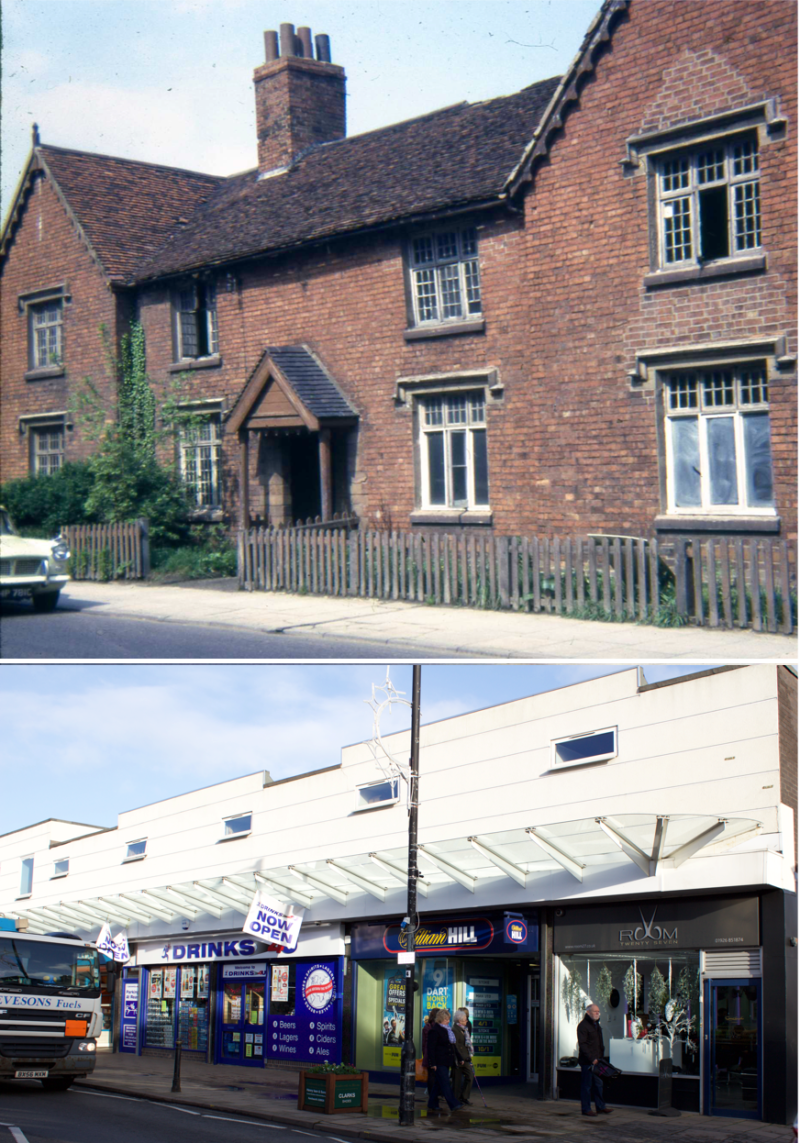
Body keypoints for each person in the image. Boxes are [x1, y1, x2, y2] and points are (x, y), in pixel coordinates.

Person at [577, 1004, 612, 1118]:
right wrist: (592, 1059)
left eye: (598, 1011)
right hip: (588, 1062)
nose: (597, 1013)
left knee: (598, 1084)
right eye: (595, 1011)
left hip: (598, 1061)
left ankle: (600, 1107)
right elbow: (583, 1044)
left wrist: (600, 1058)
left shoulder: (596, 1025)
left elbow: (599, 1043)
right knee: (586, 1086)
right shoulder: (583, 1026)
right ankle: (586, 1109)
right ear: (588, 1013)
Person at [426, 1008, 463, 1115]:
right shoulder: (435, 1030)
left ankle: (432, 1103)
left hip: (447, 1061)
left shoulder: (448, 1030)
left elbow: (453, 1046)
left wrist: (459, 1058)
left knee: (439, 1083)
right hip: (438, 1061)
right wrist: (432, 1063)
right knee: (445, 1082)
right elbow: (431, 1048)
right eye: (446, 1019)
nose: (448, 1021)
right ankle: (454, 1104)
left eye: (449, 1019)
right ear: (441, 1019)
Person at [453, 1008, 475, 1105]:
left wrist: (469, 1054)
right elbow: (456, 1046)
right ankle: (456, 1099)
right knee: (456, 1080)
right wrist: (461, 1057)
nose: (467, 1021)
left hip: (466, 1057)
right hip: (459, 1058)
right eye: (465, 1020)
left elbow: (467, 1044)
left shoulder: (465, 1029)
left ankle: (464, 1096)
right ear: (459, 1021)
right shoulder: (455, 1030)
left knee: (470, 1075)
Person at [422, 1008, 440, 1107]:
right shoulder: (429, 1027)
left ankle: (434, 1096)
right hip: (431, 1055)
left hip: (430, 1055)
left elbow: (424, 1044)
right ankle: (432, 1097)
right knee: (432, 1076)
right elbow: (426, 1043)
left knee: (434, 1076)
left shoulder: (428, 1027)